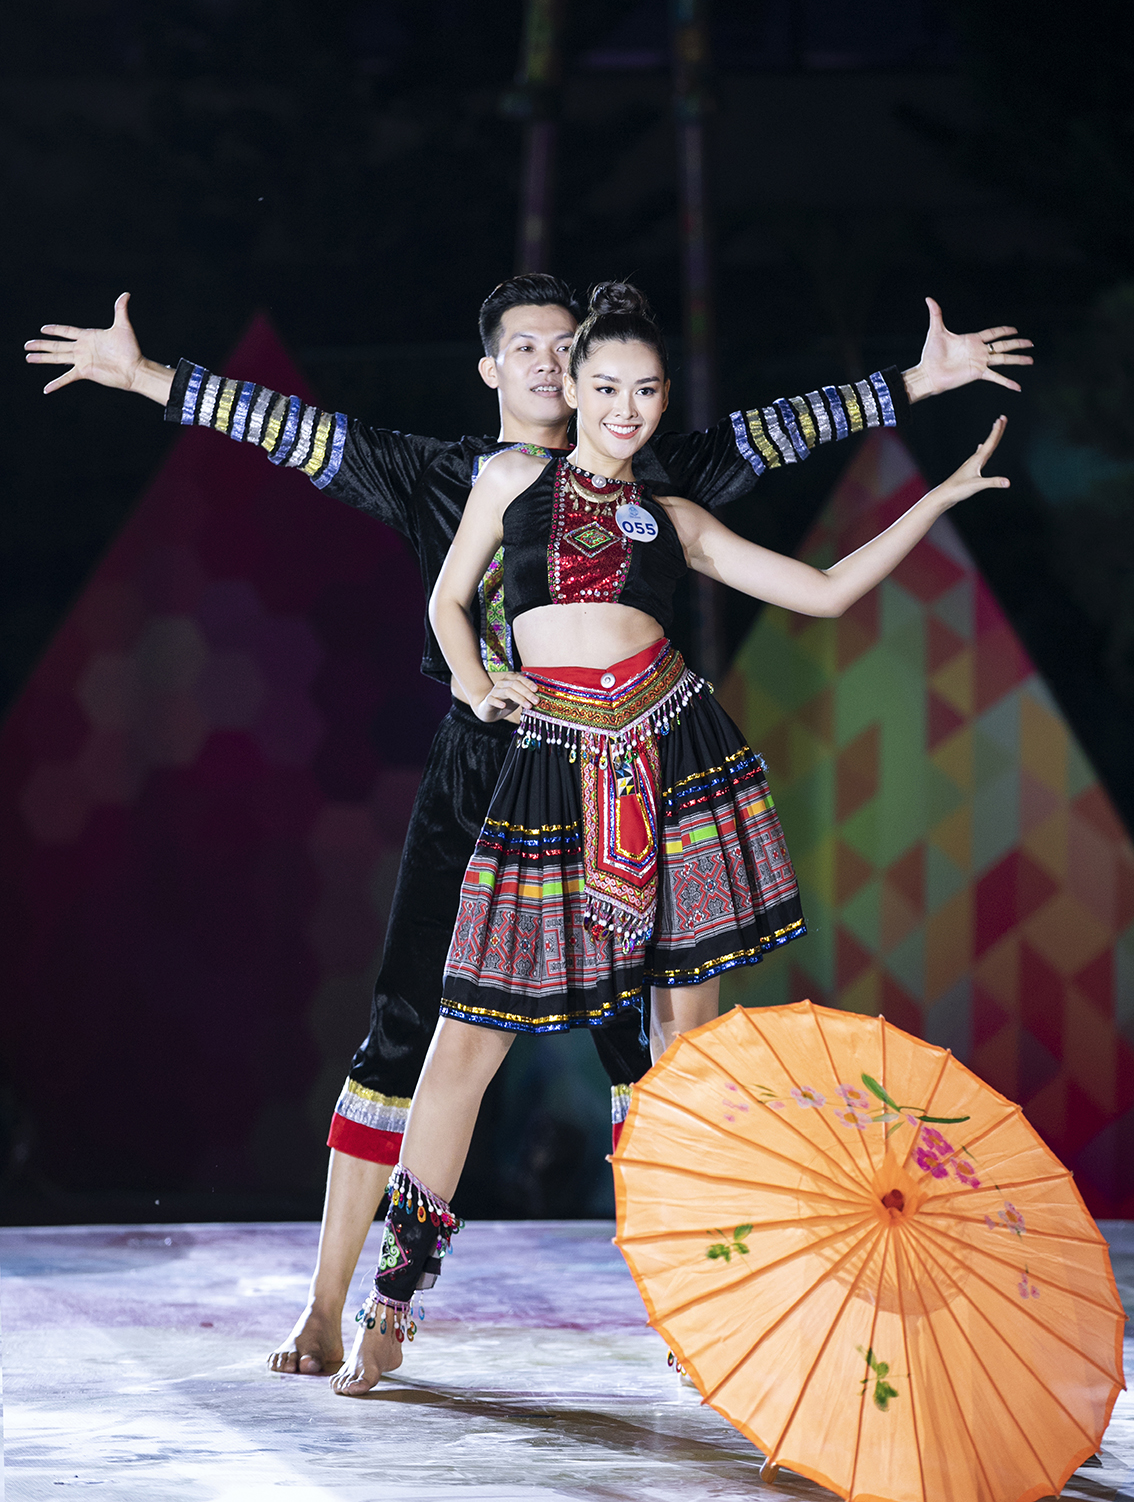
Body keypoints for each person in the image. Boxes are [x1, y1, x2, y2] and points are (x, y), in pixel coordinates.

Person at [26, 277, 1030, 1377]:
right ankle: (339, 1307)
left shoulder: (661, 483)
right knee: (419, 1035)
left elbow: (782, 441)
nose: (559, 369)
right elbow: (300, 435)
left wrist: (914, 389)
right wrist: (149, 378)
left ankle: (695, 1310)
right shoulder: (456, 476)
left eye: (581, 355)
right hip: (492, 777)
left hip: (650, 768)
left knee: (662, 1058)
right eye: (536, 352)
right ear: (496, 369)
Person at [330, 281, 1011, 1395]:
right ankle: (390, 1304)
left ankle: (693, 1304)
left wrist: (935, 499)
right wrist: (479, 682)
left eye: (646, 390)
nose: (626, 408)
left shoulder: (677, 515)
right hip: (548, 772)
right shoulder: (507, 483)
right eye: (606, 386)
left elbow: (824, 590)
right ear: (572, 387)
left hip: (673, 764)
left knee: (678, 1059)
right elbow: (449, 604)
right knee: (462, 1046)